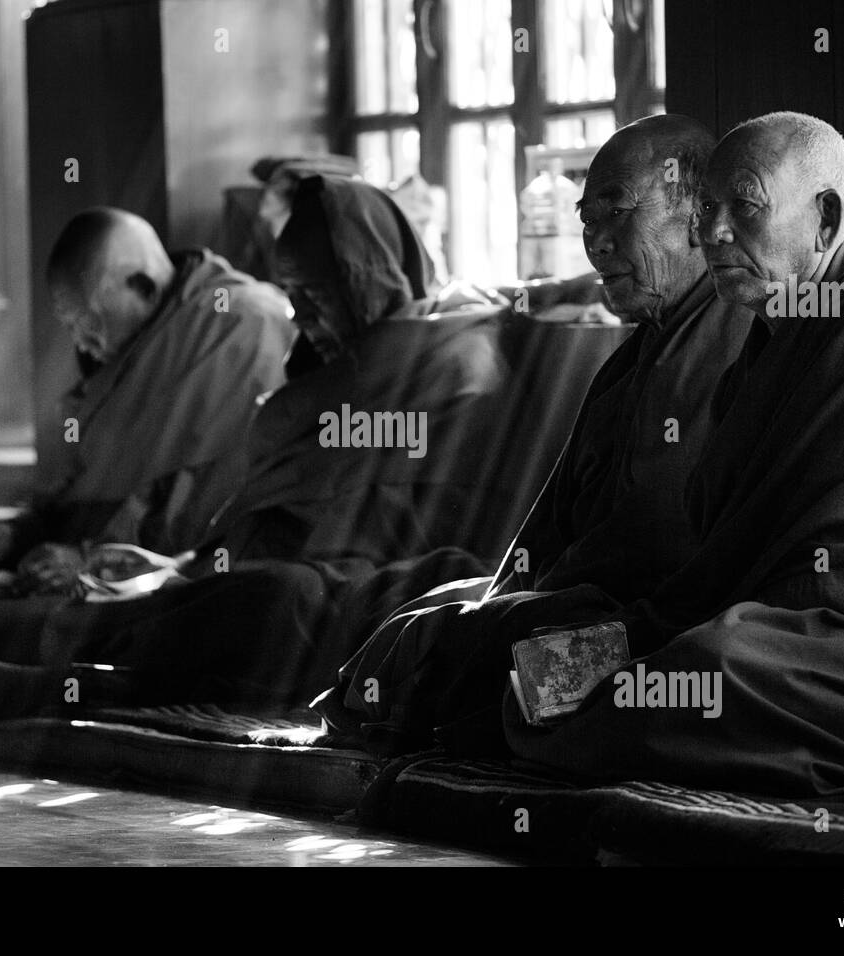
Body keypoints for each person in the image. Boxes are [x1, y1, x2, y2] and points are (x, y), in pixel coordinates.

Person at [504, 112, 844, 794]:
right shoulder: (769, 350)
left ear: (825, 219)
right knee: (560, 663)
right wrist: (642, 630)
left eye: (744, 206)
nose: (713, 232)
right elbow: (723, 552)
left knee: (712, 670)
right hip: (799, 627)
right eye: (709, 208)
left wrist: (690, 628)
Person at [0, 173, 509, 719]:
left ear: (375, 274)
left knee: (258, 603)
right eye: (297, 298)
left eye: (316, 297)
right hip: (248, 569)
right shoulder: (325, 373)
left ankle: (53, 684)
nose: (303, 320)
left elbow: (433, 515)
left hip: (356, 586)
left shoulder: (453, 360)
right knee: (181, 602)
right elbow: (256, 498)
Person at [311, 114, 754, 753]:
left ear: (696, 215)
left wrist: (518, 604)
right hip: (602, 599)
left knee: (486, 651)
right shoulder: (640, 355)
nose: (596, 244)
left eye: (616, 212)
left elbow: (662, 543)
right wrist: (502, 595)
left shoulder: (735, 337)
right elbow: (559, 525)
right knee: (427, 613)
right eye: (586, 220)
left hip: (671, 627)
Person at [0, 207, 294, 691]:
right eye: (71, 327)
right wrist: (20, 533)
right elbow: (85, 479)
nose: (83, 342)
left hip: (159, 574)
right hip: (76, 560)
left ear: (141, 286)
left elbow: (216, 491)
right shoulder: (133, 344)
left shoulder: (240, 325)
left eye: (90, 323)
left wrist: (88, 557)